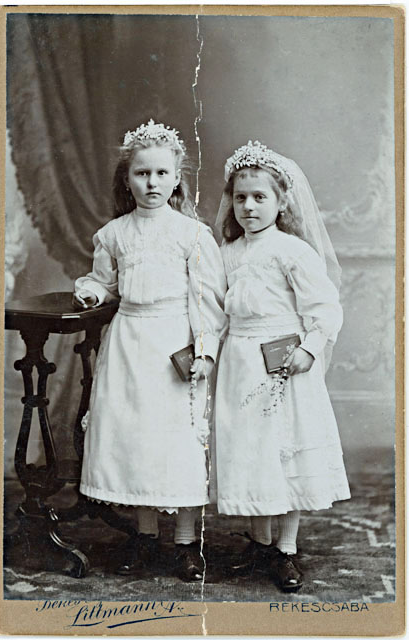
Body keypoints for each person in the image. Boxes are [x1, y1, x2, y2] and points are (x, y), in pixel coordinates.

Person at [74, 120, 227, 581]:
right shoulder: (114, 234)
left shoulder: (192, 235)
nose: (152, 183)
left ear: (177, 178)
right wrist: (92, 293)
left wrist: (203, 351)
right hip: (128, 343)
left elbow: (207, 300)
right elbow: (104, 282)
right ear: (127, 180)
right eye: (142, 174)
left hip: (175, 343)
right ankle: (144, 536)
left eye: (162, 174)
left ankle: (186, 542)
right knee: (136, 438)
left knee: (179, 440)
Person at [214, 140, 350, 592]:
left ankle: (286, 548)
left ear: (282, 201)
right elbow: (217, 308)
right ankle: (259, 542)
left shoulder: (293, 251)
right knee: (252, 451)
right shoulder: (227, 252)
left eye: (260, 197)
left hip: (284, 363)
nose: (249, 207)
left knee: (284, 449)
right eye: (240, 197)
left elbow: (324, 307)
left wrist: (310, 347)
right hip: (239, 363)